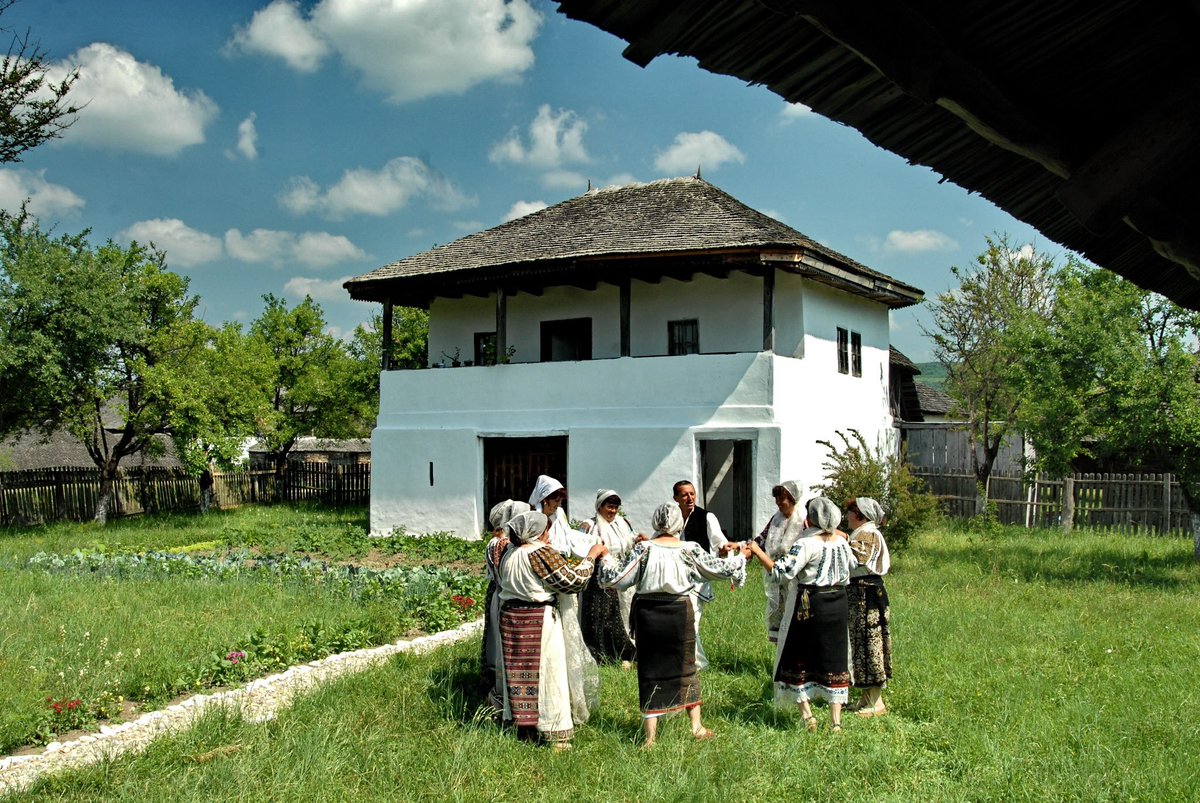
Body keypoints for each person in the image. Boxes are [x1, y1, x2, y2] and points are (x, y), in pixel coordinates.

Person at [598, 501, 747, 748]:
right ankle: (696, 727)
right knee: (687, 666)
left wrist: (605, 558)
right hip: (679, 612)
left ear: (656, 522)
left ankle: (650, 738)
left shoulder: (644, 549)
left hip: (648, 614)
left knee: (650, 670)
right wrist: (742, 556)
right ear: (679, 524)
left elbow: (620, 578)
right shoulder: (689, 549)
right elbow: (719, 569)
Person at [497, 510, 608, 750]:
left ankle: (524, 728)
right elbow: (572, 581)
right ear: (537, 532)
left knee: (517, 673)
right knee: (548, 674)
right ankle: (554, 731)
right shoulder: (540, 553)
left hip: (511, 619)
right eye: (546, 531)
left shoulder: (509, 553)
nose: (548, 535)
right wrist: (592, 555)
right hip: (538, 620)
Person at [747, 496, 856, 733]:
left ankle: (808, 716)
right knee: (834, 658)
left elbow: (781, 572)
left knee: (798, 657)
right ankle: (836, 722)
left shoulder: (805, 543)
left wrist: (756, 550)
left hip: (810, 605)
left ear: (811, 519)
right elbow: (853, 566)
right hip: (838, 604)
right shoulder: (841, 542)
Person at [526, 474, 601, 721]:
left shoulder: (559, 516)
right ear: (544, 499)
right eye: (555, 500)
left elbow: (569, 538)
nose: (558, 505)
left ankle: (566, 695)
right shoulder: (533, 519)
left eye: (560, 500)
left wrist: (591, 543)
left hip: (560, 575)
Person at [672, 480, 730, 670]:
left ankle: (696, 664)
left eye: (692, 494)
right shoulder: (673, 517)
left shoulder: (706, 517)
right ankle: (687, 660)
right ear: (676, 498)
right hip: (676, 577)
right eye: (684, 495)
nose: (689, 498)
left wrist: (724, 551)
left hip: (698, 578)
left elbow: (720, 542)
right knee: (680, 619)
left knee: (691, 620)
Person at [578, 489, 639, 666]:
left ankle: (625, 653)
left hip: (620, 574)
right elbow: (579, 549)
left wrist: (637, 540)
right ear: (600, 506)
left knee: (621, 613)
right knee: (600, 617)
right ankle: (600, 654)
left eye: (615, 507)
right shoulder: (589, 526)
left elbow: (628, 543)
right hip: (598, 579)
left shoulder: (623, 523)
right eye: (609, 507)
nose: (612, 511)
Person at [844, 496, 892, 718]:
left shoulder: (869, 534)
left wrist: (842, 538)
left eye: (850, 512)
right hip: (859, 594)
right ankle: (865, 697)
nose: (847, 516)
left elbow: (861, 557)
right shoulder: (861, 533)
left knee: (871, 644)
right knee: (860, 645)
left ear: (860, 515)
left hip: (868, 596)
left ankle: (876, 702)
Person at [482, 498, 531, 711]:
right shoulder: (501, 544)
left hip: (502, 595)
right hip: (504, 596)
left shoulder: (504, 543)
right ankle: (501, 695)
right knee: (502, 644)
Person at [751, 480, 809, 643]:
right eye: (776, 498)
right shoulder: (776, 519)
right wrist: (743, 547)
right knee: (779, 618)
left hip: (796, 578)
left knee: (794, 619)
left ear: (792, 498)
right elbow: (761, 539)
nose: (777, 502)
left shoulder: (803, 520)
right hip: (776, 577)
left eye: (781, 498)